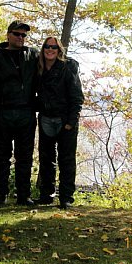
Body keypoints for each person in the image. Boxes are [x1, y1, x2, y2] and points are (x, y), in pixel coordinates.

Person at [0, 20, 38, 206]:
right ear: (8, 34)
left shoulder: (32, 56)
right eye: (17, 34)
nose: (21, 38)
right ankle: (0, 196)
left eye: (24, 35)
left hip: (26, 114)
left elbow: (53, 62)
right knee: (1, 157)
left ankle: (23, 196)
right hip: (2, 114)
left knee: (25, 157)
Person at [35, 36, 84, 209]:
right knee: (46, 159)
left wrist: (71, 122)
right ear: (43, 49)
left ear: (59, 50)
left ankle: (66, 198)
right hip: (46, 119)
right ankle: (46, 196)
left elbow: (77, 97)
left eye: (54, 47)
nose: (50, 50)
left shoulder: (68, 67)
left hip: (65, 121)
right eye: (47, 46)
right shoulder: (38, 68)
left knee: (66, 160)